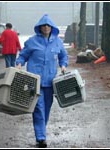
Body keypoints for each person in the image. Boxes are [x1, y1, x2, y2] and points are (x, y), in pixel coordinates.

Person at [16, 14, 68, 148]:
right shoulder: (32, 41)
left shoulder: (58, 42)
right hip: (35, 81)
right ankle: (41, 137)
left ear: (52, 27)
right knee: (38, 108)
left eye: (48, 25)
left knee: (47, 108)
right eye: (43, 25)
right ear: (39, 27)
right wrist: (19, 63)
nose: (46, 27)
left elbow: (63, 56)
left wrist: (63, 66)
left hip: (51, 81)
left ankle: (41, 130)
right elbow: (23, 55)